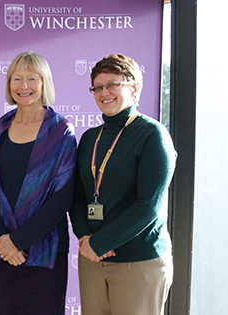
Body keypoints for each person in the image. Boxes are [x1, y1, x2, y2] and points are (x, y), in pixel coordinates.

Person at [69, 53, 176, 315]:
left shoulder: (152, 135)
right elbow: (77, 195)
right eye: (98, 87)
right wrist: (85, 236)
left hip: (138, 261)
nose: (105, 92)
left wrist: (99, 243)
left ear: (135, 90)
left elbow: (148, 207)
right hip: (93, 259)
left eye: (113, 84)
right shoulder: (90, 137)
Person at [0, 51, 76, 314]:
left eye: (32, 78)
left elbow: (62, 199)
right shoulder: (0, 128)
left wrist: (18, 241)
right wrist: (1, 238)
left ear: (44, 83)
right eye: (17, 79)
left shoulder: (60, 132)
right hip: (2, 252)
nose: (24, 86)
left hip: (45, 254)